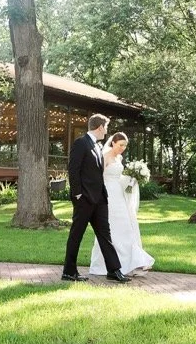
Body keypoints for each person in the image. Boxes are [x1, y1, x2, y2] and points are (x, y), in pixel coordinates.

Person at [61, 114, 130, 283]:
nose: (107, 131)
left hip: (99, 199)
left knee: (105, 235)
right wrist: (77, 194)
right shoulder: (81, 143)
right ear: (100, 127)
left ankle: (114, 270)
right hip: (84, 199)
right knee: (76, 234)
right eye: (106, 127)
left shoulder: (98, 147)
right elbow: (73, 170)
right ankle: (69, 271)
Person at [91, 132, 154, 276]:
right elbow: (98, 178)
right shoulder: (105, 157)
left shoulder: (119, 158)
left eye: (125, 146)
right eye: (120, 145)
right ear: (113, 143)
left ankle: (130, 262)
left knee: (126, 227)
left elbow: (120, 178)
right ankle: (106, 264)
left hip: (119, 195)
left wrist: (132, 178)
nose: (123, 148)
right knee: (112, 228)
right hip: (108, 195)